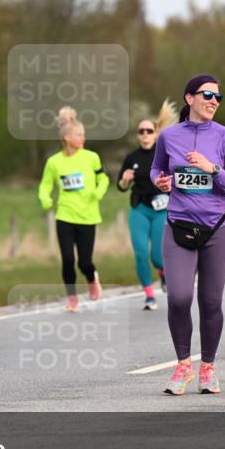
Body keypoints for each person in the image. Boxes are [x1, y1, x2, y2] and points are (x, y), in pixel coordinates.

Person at [152, 74, 225, 395]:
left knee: (210, 302)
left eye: (218, 97)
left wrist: (212, 169)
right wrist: (160, 181)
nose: (213, 101)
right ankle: (183, 365)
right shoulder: (169, 137)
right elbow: (157, 169)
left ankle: (207, 368)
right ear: (189, 98)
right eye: (207, 95)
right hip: (178, 225)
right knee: (178, 297)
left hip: (218, 229)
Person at [38, 106, 109, 312]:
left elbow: (103, 178)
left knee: (84, 262)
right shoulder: (54, 162)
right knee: (68, 259)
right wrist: (44, 198)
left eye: (83, 135)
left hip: (88, 216)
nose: (83, 139)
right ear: (67, 138)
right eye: (79, 135)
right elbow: (45, 184)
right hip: (65, 215)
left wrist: (98, 191)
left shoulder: (91, 157)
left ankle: (91, 277)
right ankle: (72, 298)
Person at [117, 100, 177, 310]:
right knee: (141, 253)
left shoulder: (165, 154)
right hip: (140, 210)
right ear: (137, 135)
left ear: (155, 133)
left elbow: (176, 179)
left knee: (157, 257)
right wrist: (125, 179)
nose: (144, 134)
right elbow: (121, 186)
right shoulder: (131, 158)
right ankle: (149, 295)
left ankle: (162, 273)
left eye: (148, 131)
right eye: (141, 131)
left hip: (161, 210)